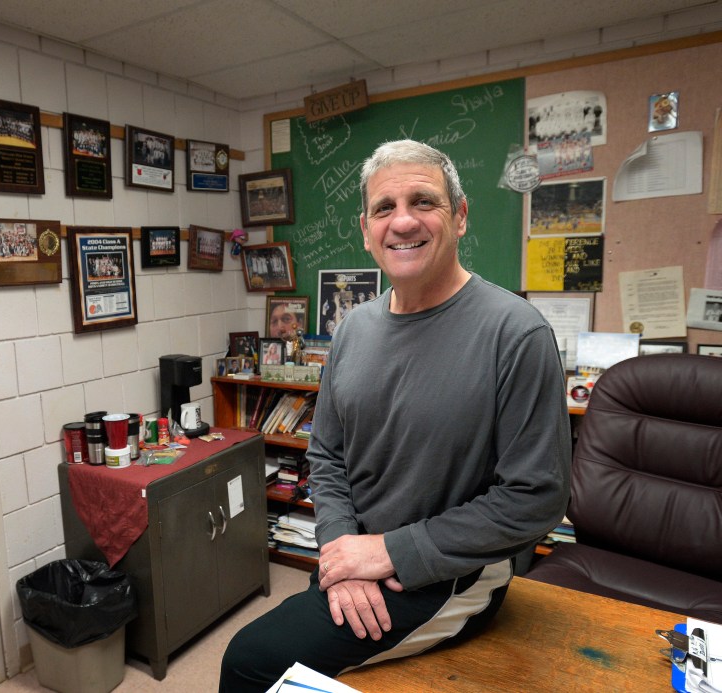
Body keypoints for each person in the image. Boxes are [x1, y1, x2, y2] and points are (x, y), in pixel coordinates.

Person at [220, 140, 570, 690]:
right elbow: (327, 455)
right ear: (366, 230)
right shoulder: (352, 330)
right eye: (384, 208)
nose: (402, 221)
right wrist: (342, 551)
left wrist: (387, 553)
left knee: (251, 660)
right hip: (355, 551)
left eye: (423, 201)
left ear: (459, 216)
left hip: (450, 577)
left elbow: (536, 497)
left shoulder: (517, 334)